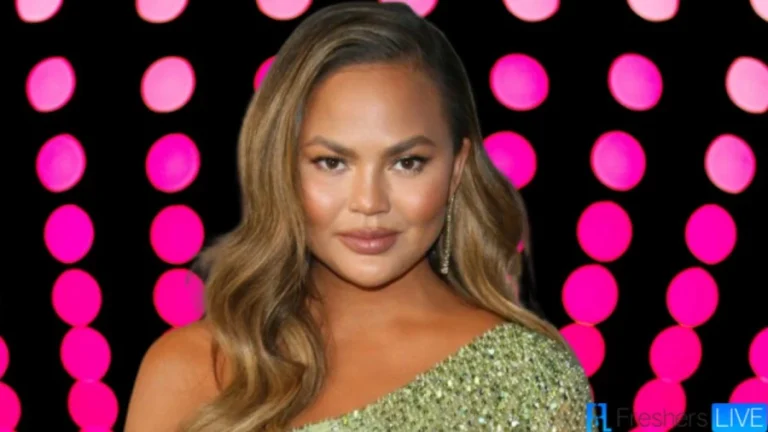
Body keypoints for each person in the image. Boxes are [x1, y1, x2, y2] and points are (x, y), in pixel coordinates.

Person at [124, 2, 594, 431]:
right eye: (332, 162)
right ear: (281, 168)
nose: (369, 202)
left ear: (456, 170)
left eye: (407, 162)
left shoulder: (533, 378)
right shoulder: (188, 369)